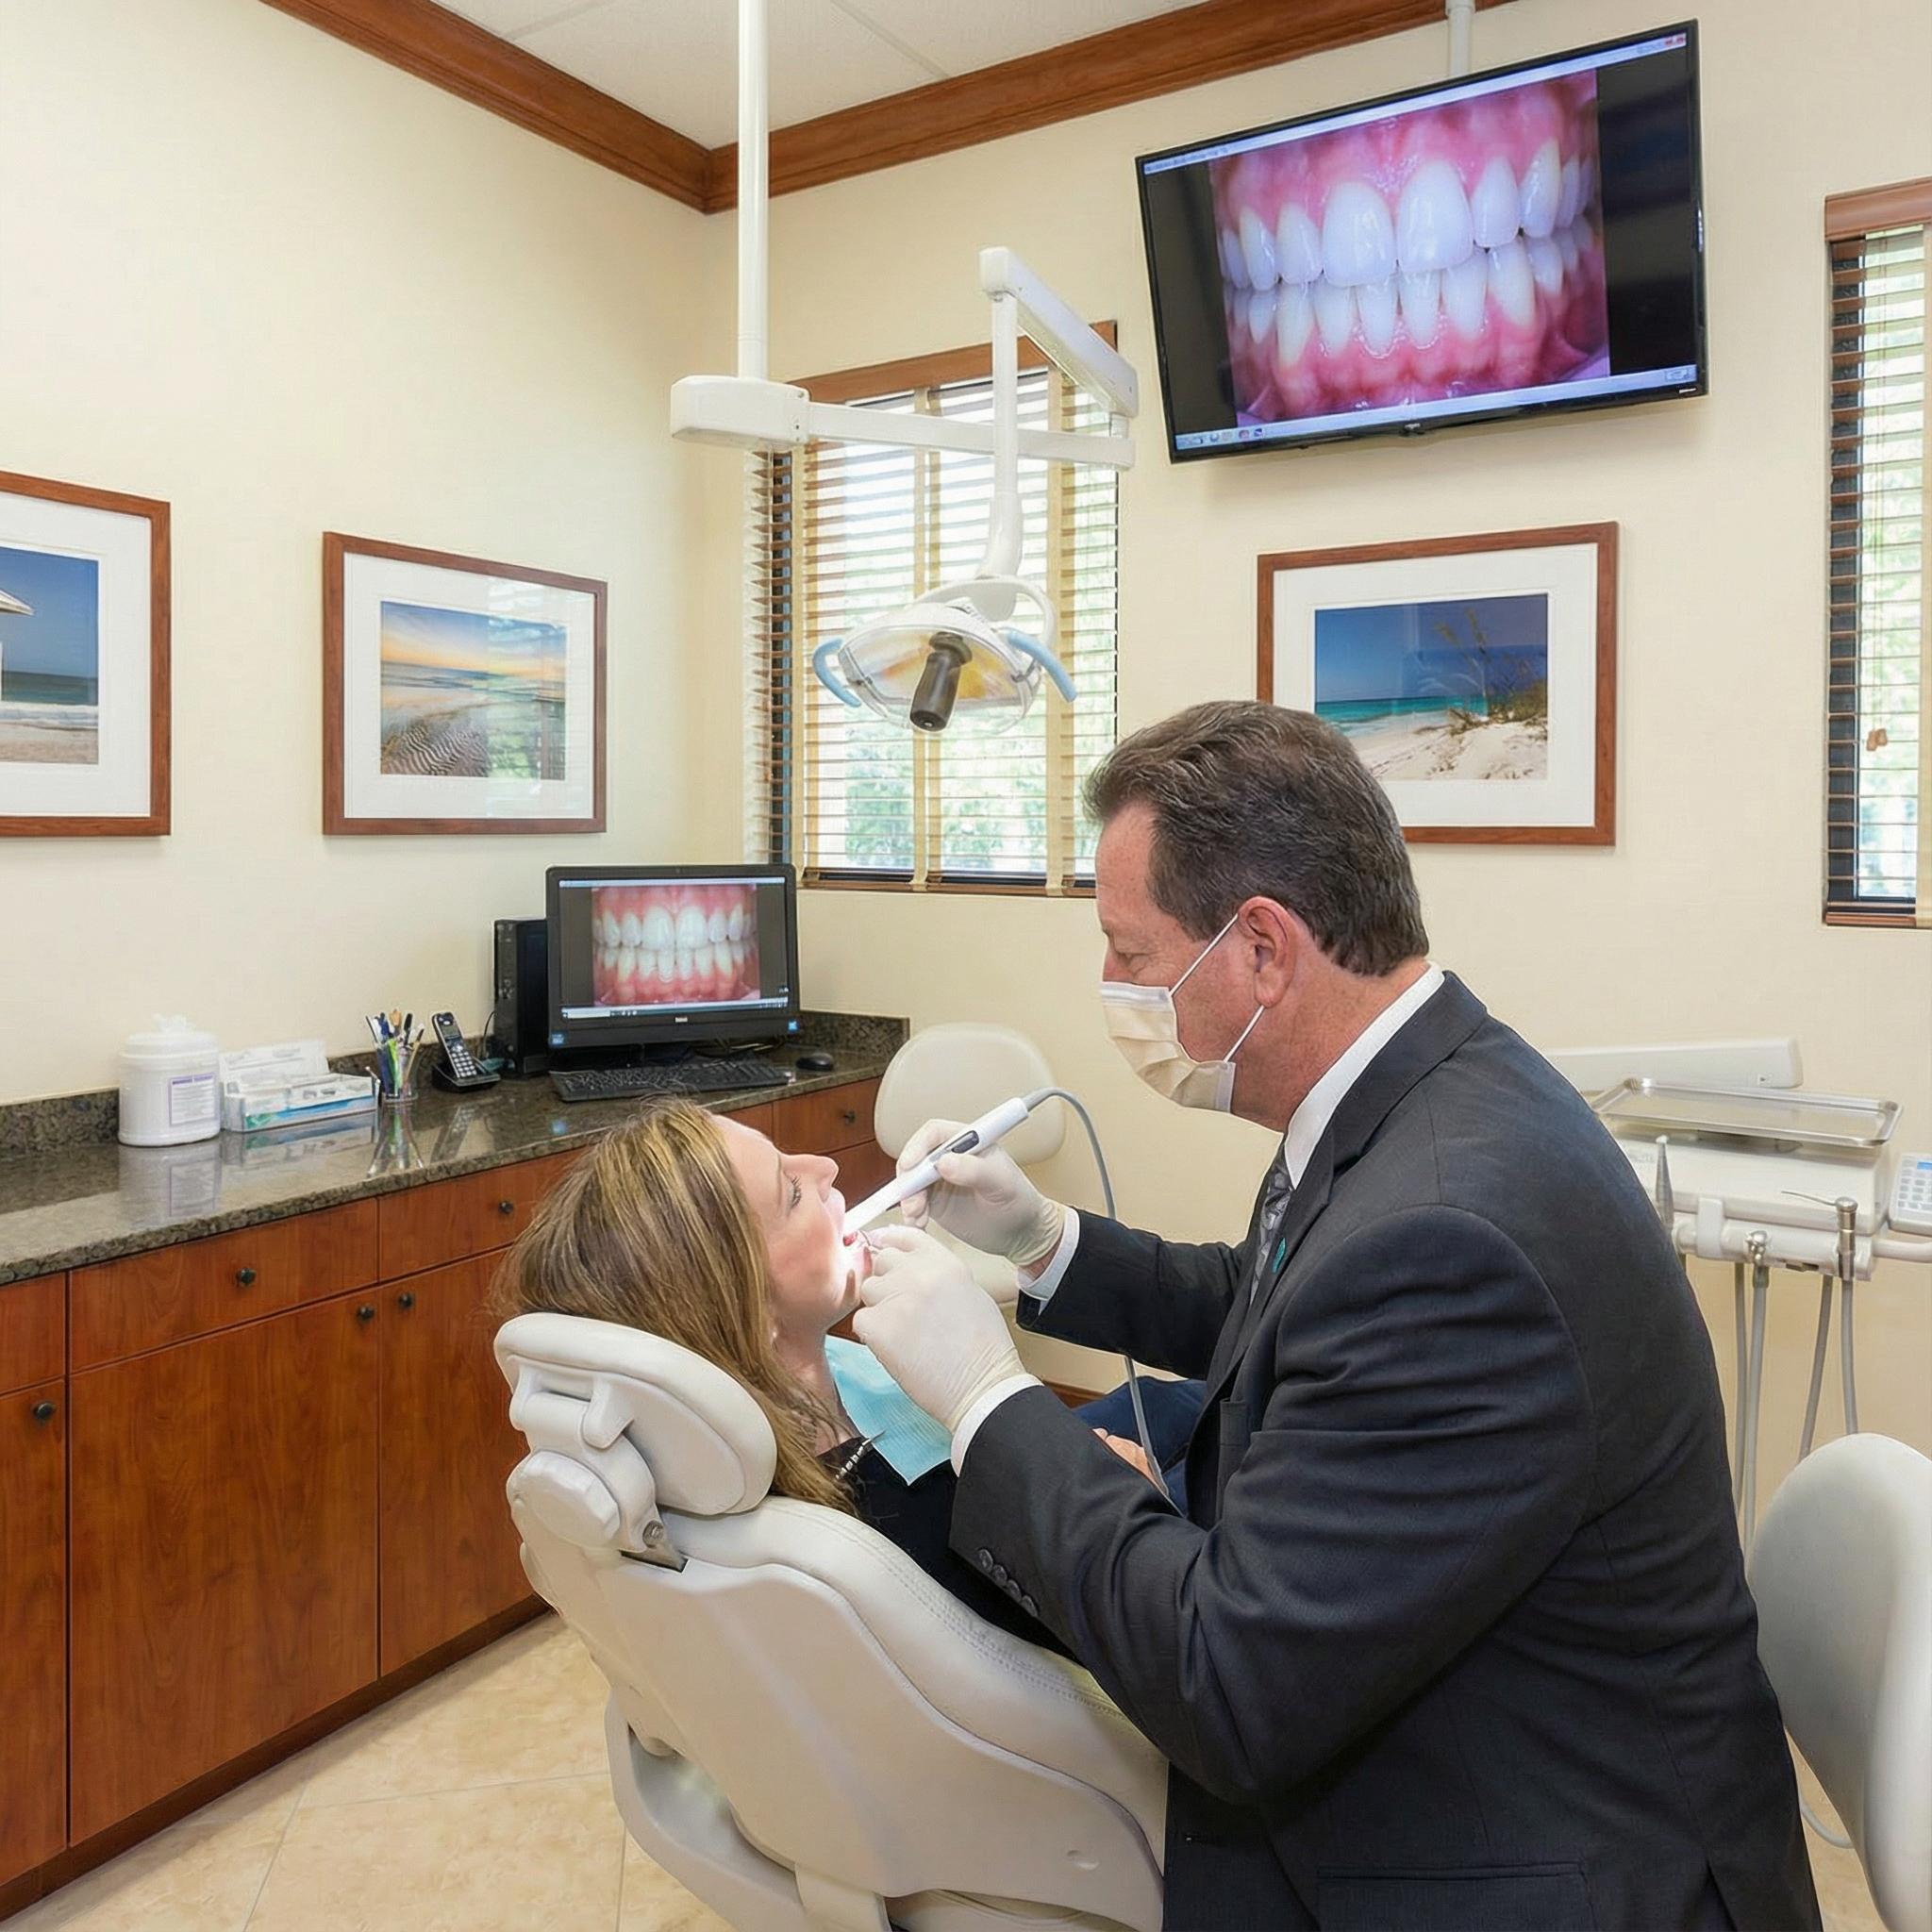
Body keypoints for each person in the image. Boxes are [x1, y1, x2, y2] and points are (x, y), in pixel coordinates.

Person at [853, 700, 1821, 1932]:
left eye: (1132, 954)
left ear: (1261, 949)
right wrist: (1045, 1244)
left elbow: (1228, 1689)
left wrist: (987, 1395)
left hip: (1556, 1857)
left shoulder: (1451, 1233)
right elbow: (1277, 1308)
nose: (1111, 990)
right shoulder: (1417, 1090)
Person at [498, 1097, 1100, 1653]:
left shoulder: (693, 1469)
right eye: (792, 1192)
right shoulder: (912, 1532)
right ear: (751, 1312)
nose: (826, 1168)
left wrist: (1044, 1240)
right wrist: (1087, 1494)